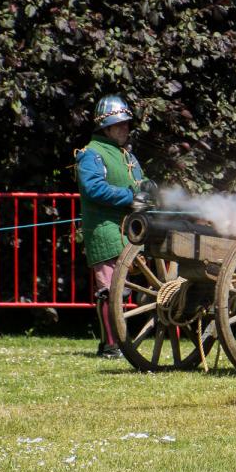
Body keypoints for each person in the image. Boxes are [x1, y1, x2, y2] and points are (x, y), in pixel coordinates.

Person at [76, 95, 150, 358]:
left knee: (123, 289)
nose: (125, 128)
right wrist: (130, 197)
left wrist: (148, 188)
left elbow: (138, 182)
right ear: (105, 128)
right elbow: (93, 188)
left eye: (126, 124)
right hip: (104, 230)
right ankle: (109, 346)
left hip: (127, 230)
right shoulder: (91, 154)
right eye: (119, 125)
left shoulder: (126, 154)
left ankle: (119, 341)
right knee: (109, 290)